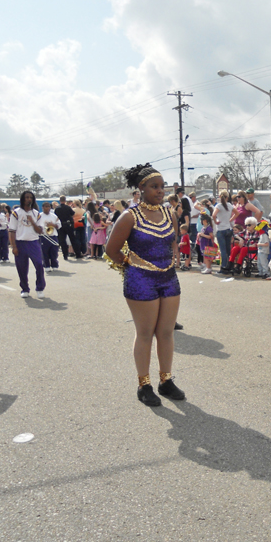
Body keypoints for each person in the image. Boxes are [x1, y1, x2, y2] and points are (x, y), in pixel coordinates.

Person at [105, 163, 185, 407]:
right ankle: (144, 385)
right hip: (140, 281)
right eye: (154, 186)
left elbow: (172, 241)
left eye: (162, 186)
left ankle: (166, 380)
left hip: (168, 278)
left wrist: (173, 260)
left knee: (166, 332)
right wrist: (132, 267)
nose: (160, 191)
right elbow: (111, 250)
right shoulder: (129, 216)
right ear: (141, 188)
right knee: (145, 333)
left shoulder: (170, 214)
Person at [8, 191, 46, 299]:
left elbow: (40, 231)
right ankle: (25, 289)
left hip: (33, 242)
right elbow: (12, 231)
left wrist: (32, 221)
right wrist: (14, 246)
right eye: (26, 197)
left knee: (39, 264)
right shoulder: (16, 213)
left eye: (30, 197)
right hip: (20, 243)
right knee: (22, 268)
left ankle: (40, 288)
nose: (29, 199)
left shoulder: (36, 214)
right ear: (22, 199)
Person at [212, 190, 235, 274]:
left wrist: (216, 221)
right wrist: (230, 219)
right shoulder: (230, 205)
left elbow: (214, 215)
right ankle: (229, 266)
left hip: (221, 229)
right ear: (227, 197)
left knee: (223, 250)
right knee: (228, 249)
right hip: (228, 228)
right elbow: (237, 213)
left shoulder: (218, 206)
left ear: (219, 197)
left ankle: (223, 267)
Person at [55, 196, 83, 260]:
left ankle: (65, 255)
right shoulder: (68, 207)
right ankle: (78, 254)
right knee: (73, 239)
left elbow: (55, 216)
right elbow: (73, 214)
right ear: (65, 201)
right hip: (68, 224)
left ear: (60, 200)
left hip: (61, 225)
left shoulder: (57, 208)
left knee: (62, 240)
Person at [38, 201, 62, 273]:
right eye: (46, 206)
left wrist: (52, 225)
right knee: (44, 252)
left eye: (49, 206)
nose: (48, 208)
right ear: (43, 207)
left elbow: (59, 225)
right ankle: (46, 265)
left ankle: (54, 265)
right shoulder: (39, 216)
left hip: (53, 235)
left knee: (54, 251)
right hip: (44, 236)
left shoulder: (54, 216)